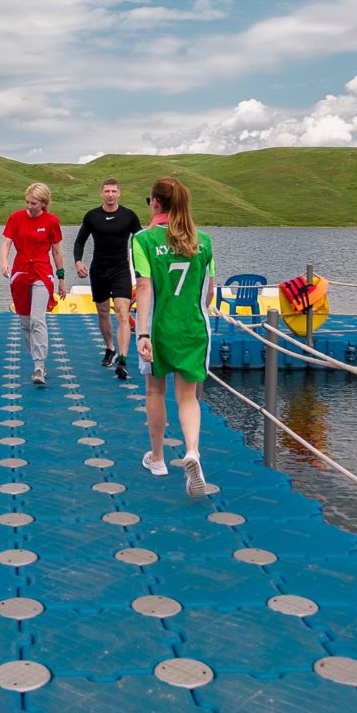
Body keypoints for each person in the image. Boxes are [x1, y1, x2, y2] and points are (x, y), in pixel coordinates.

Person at [131, 177, 215, 496]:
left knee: (155, 390)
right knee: (188, 396)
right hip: (193, 326)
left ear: (154, 202)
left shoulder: (143, 240)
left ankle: (158, 457)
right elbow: (208, 291)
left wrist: (142, 333)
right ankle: (192, 451)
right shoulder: (203, 241)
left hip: (159, 326)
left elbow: (144, 285)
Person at [72, 178, 142, 380]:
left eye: (114, 191)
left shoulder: (129, 216)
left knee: (122, 313)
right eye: (107, 191)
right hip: (99, 270)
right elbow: (80, 241)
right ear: (101, 193)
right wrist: (78, 262)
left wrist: (141, 269)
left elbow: (140, 241)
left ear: (119, 193)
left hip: (121, 270)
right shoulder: (92, 216)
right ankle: (110, 347)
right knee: (103, 313)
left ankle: (122, 359)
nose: (110, 194)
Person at [1, 182, 66, 385]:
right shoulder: (16, 218)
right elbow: (7, 242)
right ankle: (36, 357)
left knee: (38, 319)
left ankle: (39, 366)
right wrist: (4, 261)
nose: (30, 206)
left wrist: (61, 278)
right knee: (25, 322)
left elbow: (56, 251)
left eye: (34, 203)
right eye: (28, 202)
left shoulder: (51, 221)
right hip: (20, 272)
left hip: (41, 272)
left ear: (44, 203)